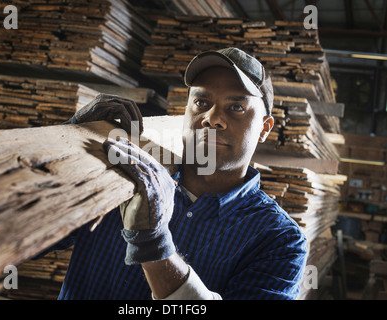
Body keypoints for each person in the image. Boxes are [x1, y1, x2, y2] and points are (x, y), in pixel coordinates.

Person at [36, 47, 308, 300]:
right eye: (201, 102)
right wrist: (64, 146)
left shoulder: (278, 239)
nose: (212, 118)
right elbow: (30, 239)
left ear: (264, 128)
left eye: (236, 107)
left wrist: (154, 246)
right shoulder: (120, 173)